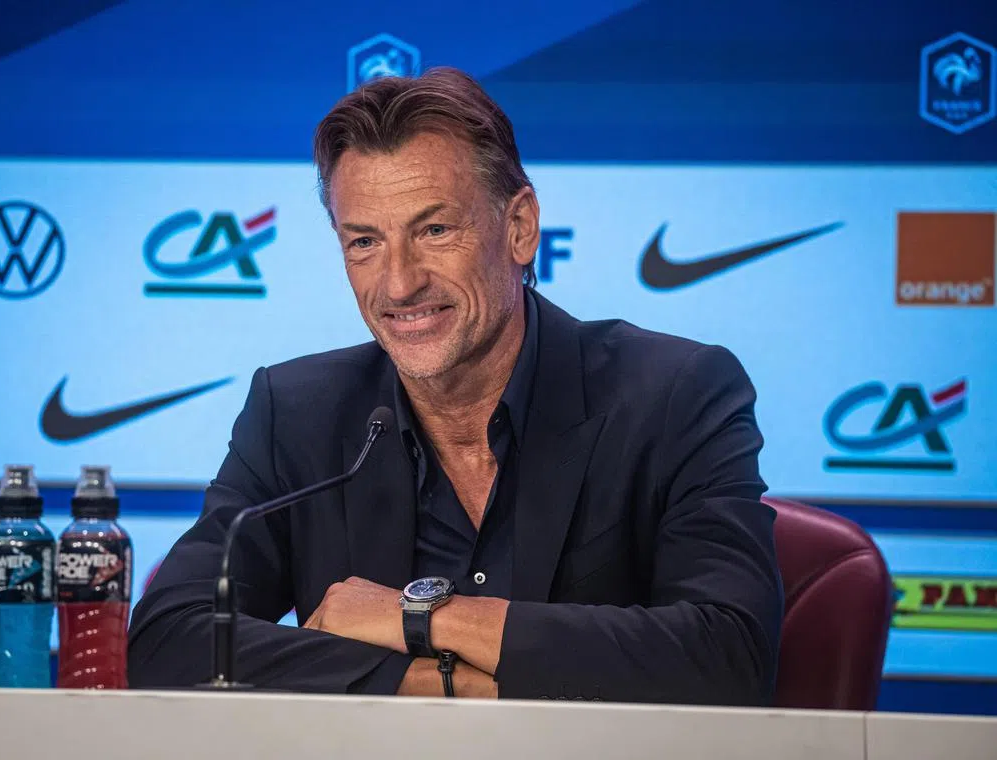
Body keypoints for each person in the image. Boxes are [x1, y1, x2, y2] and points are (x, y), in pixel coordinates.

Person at [128, 67, 783, 703]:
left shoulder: (676, 396)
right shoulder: (297, 414)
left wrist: (420, 619)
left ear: (520, 227)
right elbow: (169, 640)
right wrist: (442, 684)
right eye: (364, 243)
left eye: (434, 230)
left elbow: (729, 653)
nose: (398, 283)